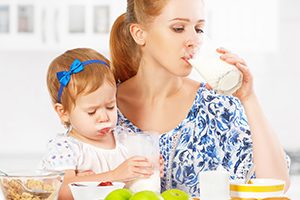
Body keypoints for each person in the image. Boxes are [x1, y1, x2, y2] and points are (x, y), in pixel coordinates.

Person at [110, 0, 290, 197]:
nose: (193, 40)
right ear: (139, 33)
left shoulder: (217, 107)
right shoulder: (103, 107)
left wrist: (248, 98)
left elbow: (277, 186)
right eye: (178, 28)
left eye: (199, 29)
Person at [40, 48, 155, 200]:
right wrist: (115, 175)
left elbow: (134, 184)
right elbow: (60, 192)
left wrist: (147, 165)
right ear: (64, 112)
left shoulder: (123, 139)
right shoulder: (65, 148)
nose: (104, 117)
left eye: (110, 106)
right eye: (92, 111)